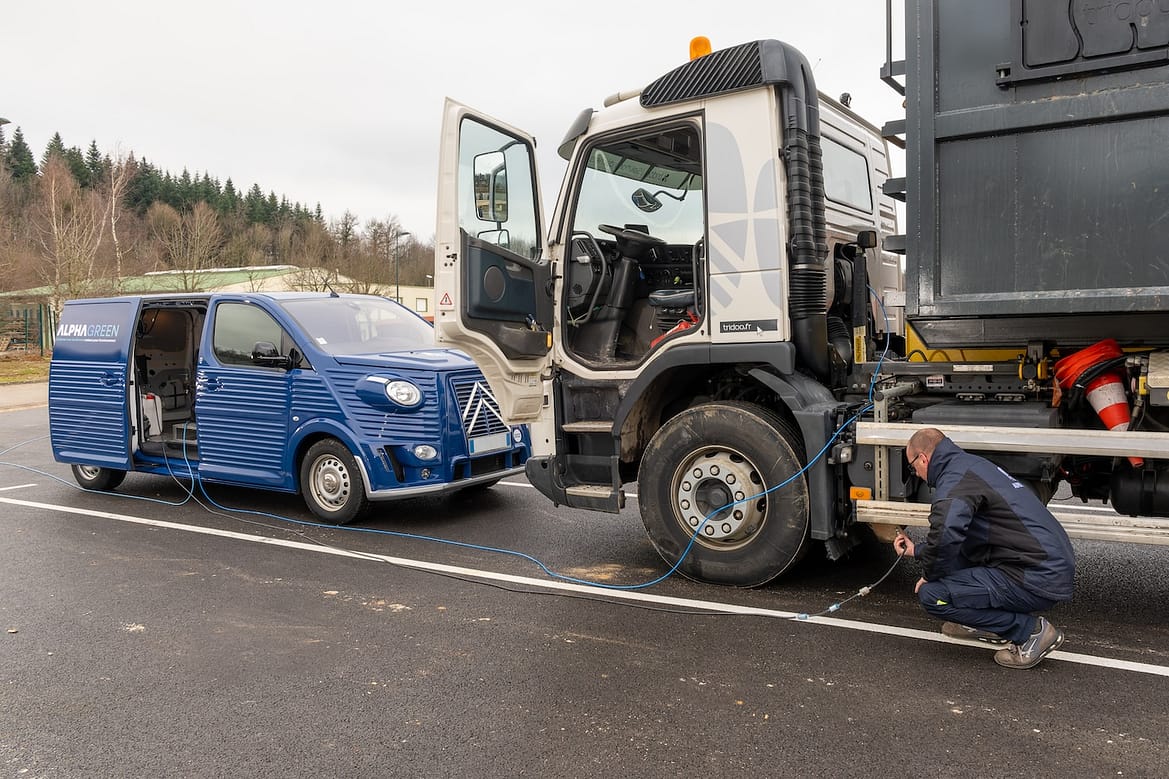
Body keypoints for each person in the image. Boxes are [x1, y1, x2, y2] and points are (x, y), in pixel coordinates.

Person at [892, 427, 1075, 669]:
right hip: (1044, 564)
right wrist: (918, 551)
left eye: (913, 467)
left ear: (923, 459)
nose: (916, 473)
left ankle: (1029, 632)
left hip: (1036, 575)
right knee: (951, 567)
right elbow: (962, 540)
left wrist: (929, 574)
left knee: (933, 596)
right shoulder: (972, 465)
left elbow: (946, 537)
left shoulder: (954, 482)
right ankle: (993, 625)